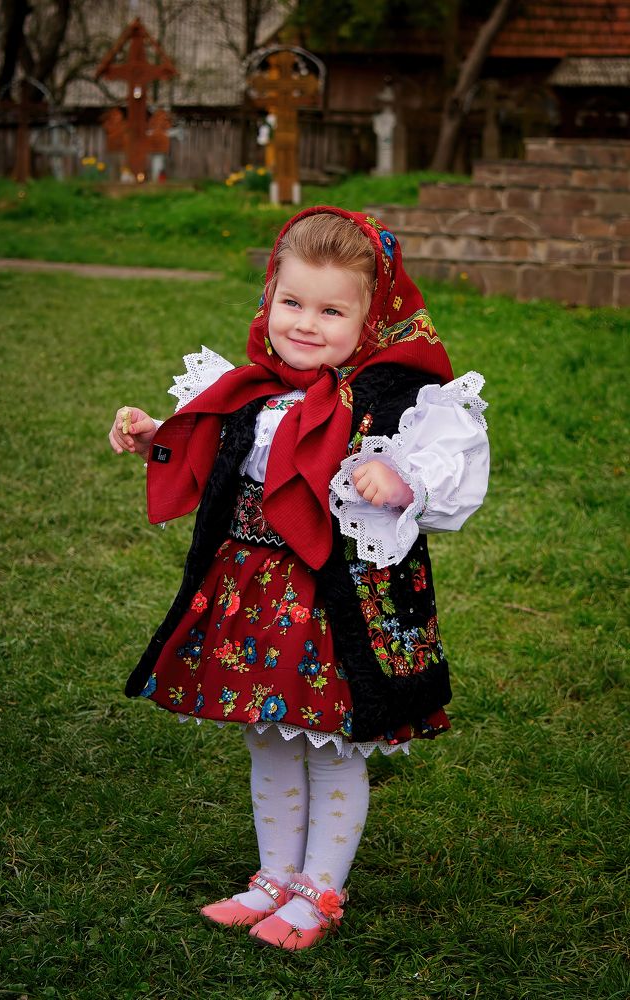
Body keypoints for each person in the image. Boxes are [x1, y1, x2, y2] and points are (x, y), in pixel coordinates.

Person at [108, 207, 489, 951]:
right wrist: (157, 434)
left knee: (332, 744)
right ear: (269, 298)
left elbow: (450, 472)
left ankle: (321, 891)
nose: (306, 324)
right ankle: (274, 876)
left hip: (333, 604)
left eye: (331, 310)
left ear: (371, 317)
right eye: (292, 302)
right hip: (254, 593)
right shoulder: (251, 389)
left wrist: (401, 480)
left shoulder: (393, 401)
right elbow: (213, 446)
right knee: (270, 737)